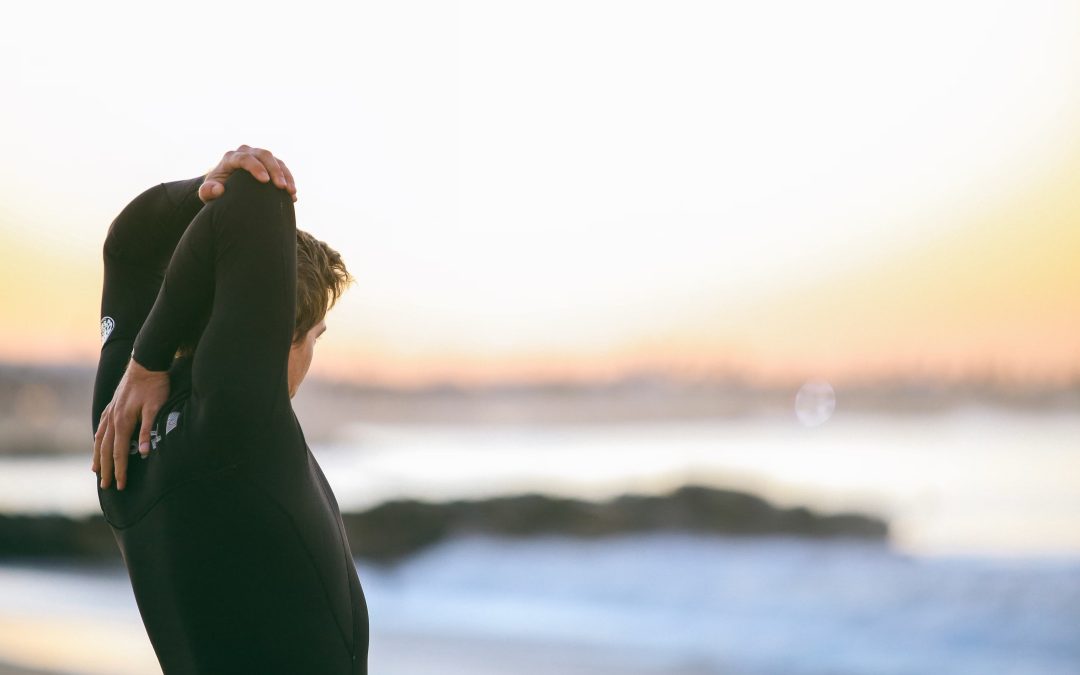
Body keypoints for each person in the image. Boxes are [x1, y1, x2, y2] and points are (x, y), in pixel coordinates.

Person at [90, 145, 369, 674]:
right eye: (314, 336)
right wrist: (146, 359)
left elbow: (128, 247)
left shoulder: (118, 426)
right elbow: (257, 194)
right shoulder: (236, 424)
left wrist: (145, 362)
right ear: (273, 334)